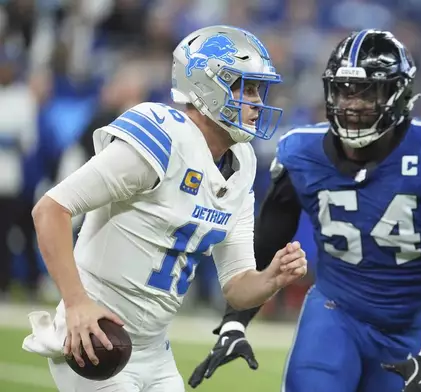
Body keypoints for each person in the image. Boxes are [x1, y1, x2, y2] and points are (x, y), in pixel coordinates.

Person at [190, 29, 421, 392]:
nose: (353, 104)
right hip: (335, 314)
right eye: (344, 90)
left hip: (407, 329)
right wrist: (236, 322)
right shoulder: (301, 153)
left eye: (368, 92)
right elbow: (265, 249)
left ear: (398, 94)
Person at [22, 25, 307, 392]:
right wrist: (76, 304)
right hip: (95, 335)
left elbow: (236, 287)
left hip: (156, 348)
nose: (256, 102)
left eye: (258, 90)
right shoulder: (162, 138)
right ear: (207, 85)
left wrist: (272, 279)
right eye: (246, 87)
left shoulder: (242, 163)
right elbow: (50, 209)